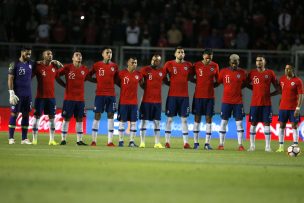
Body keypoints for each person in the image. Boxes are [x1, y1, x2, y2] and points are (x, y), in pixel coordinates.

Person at [56, 51, 92, 146]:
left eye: (80, 55)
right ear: (72, 58)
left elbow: (88, 78)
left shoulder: (85, 69)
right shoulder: (67, 67)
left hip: (80, 99)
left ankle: (79, 141)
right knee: (66, 118)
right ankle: (63, 139)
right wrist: (64, 85)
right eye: (76, 55)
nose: (79, 57)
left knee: (79, 119)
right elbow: (56, 75)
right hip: (69, 98)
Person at [32, 50, 64, 145]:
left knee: (52, 118)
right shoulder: (38, 67)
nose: (50, 55)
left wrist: (66, 86)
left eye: (51, 54)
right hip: (40, 97)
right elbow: (30, 77)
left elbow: (58, 78)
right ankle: (34, 139)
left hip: (51, 98)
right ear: (43, 56)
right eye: (48, 54)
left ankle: (51, 140)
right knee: (37, 117)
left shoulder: (54, 67)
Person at [247, 56, 280, 152]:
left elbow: (278, 88)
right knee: (253, 124)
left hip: (266, 104)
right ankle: (252, 146)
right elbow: (245, 83)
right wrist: (255, 89)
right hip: (255, 103)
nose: (258, 62)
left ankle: (267, 147)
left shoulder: (270, 73)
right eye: (257, 60)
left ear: (264, 62)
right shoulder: (252, 73)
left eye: (260, 61)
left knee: (267, 124)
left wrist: (270, 95)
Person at [88, 48, 118, 147]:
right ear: (103, 54)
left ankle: (110, 141)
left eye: (110, 53)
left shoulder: (114, 66)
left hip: (111, 95)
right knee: (97, 115)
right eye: (107, 53)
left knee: (110, 115)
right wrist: (97, 81)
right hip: (100, 94)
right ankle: (93, 141)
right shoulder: (97, 65)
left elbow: (117, 80)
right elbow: (88, 76)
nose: (109, 54)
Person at [163, 46, 192, 149]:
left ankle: (186, 143)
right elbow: (163, 77)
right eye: (179, 52)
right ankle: (167, 142)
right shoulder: (169, 64)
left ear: (184, 54)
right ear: (175, 54)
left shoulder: (188, 65)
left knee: (184, 120)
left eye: (182, 52)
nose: (181, 54)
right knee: (170, 119)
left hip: (184, 97)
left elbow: (191, 77)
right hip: (172, 96)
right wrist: (170, 84)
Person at [190, 48, 219, 150]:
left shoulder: (215, 66)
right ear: (203, 56)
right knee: (197, 118)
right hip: (198, 96)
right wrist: (199, 83)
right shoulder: (196, 65)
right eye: (207, 56)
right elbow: (190, 77)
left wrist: (210, 85)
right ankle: (196, 143)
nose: (208, 59)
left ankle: (207, 143)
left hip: (210, 97)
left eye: (210, 57)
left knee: (209, 119)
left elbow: (218, 80)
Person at [217, 54, 246, 151]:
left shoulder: (242, 72)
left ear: (239, 61)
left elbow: (245, 83)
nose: (234, 63)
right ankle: (221, 144)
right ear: (229, 61)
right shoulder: (223, 71)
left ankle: (240, 145)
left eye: (236, 61)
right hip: (226, 101)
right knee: (224, 122)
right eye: (232, 61)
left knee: (239, 123)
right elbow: (219, 81)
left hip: (238, 102)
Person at [8, 47, 35, 144]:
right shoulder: (14, 64)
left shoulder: (30, 63)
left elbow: (40, 63)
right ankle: (11, 138)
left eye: (30, 54)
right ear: (22, 52)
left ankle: (24, 139)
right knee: (14, 114)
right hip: (17, 94)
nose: (29, 55)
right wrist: (11, 93)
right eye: (27, 54)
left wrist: (52, 61)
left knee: (26, 115)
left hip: (28, 95)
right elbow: (10, 78)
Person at [139, 54, 165, 149]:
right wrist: (145, 88)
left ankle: (157, 143)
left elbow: (164, 80)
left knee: (157, 122)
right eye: (153, 59)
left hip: (157, 101)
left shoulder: (162, 71)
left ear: (159, 62)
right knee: (143, 121)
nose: (154, 61)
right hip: (146, 100)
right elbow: (140, 81)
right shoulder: (145, 70)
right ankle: (142, 142)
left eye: (156, 60)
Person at [276, 64, 303, 152]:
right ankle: (280, 147)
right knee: (281, 126)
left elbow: (301, 96)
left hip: (293, 108)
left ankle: (295, 145)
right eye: (286, 69)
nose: (287, 70)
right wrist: (280, 105)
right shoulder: (282, 79)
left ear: (293, 70)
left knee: (294, 126)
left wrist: (298, 108)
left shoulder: (298, 81)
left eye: (289, 69)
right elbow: (282, 92)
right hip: (283, 108)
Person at [117, 57, 143, 147]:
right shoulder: (121, 73)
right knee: (122, 121)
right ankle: (120, 141)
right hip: (123, 102)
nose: (134, 64)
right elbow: (117, 82)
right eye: (132, 62)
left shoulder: (138, 74)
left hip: (134, 103)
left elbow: (142, 83)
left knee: (134, 122)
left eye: (135, 63)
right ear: (128, 63)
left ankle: (131, 141)